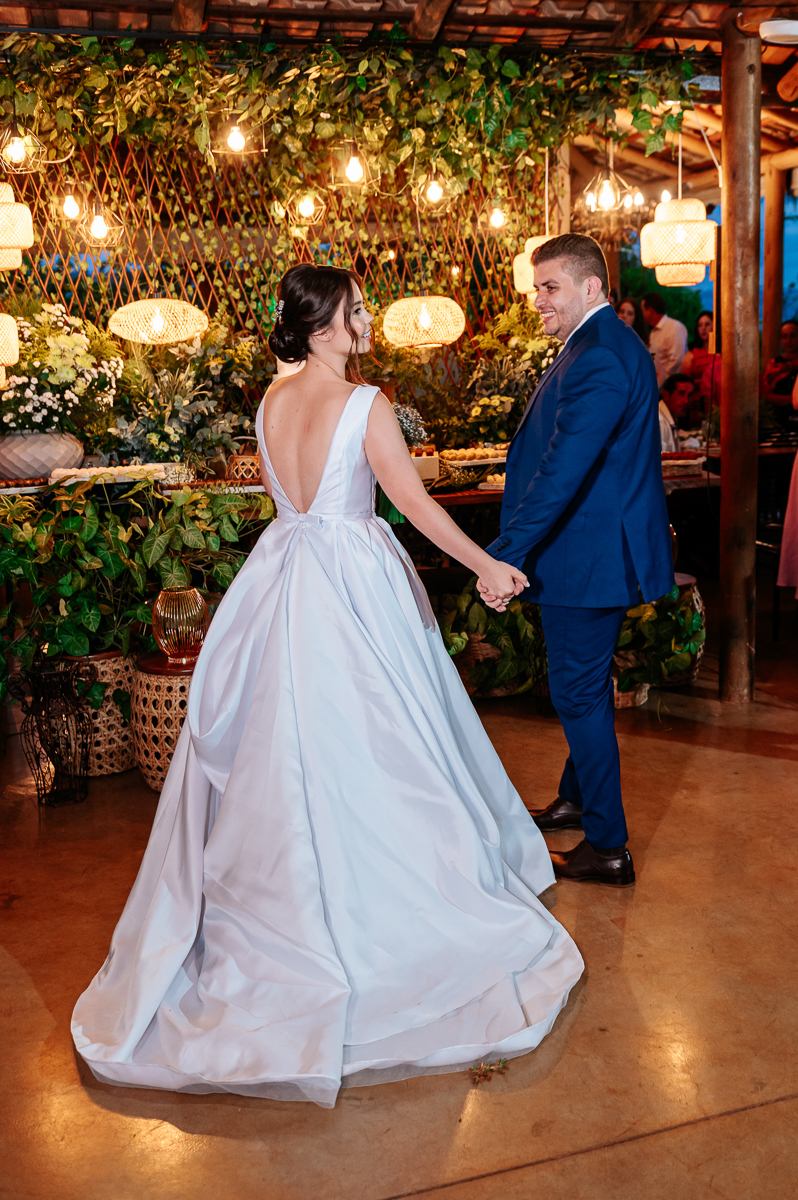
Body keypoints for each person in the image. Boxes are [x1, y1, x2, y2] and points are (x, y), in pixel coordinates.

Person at [71, 264, 583, 1108]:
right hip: (352, 581)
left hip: (280, 580)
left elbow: (288, 503)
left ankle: (281, 904)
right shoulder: (367, 404)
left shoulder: (270, 406)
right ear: (323, 327)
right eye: (356, 311)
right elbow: (413, 506)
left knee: (285, 750)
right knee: (379, 742)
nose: (368, 319)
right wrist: (489, 562)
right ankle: (385, 909)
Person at [481, 234, 674, 888]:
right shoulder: (602, 346)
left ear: (591, 288)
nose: (538, 299)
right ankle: (576, 800)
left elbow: (563, 471)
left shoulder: (599, 356)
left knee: (578, 693)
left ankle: (608, 846)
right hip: (589, 551)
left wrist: (503, 555)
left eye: (550, 287)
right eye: (538, 288)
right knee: (581, 688)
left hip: (586, 557)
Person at [641, 292, 688, 389]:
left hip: (672, 387)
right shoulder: (653, 332)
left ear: (650, 311)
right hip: (658, 386)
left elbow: (677, 360)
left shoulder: (674, 327)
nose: (642, 314)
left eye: (643, 310)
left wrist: (661, 381)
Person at [762, 319, 798, 411]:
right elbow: (766, 395)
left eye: (793, 336)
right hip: (780, 417)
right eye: (784, 337)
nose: (789, 340)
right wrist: (793, 399)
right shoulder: (774, 364)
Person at [659, 372, 695, 448]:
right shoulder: (659, 420)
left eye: (690, 395)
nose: (686, 401)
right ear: (666, 395)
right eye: (681, 393)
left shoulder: (671, 418)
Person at [680, 310, 714, 381]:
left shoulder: (724, 350)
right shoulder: (692, 352)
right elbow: (685, 380)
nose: (703, 328)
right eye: (700, 325)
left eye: (707, 324)